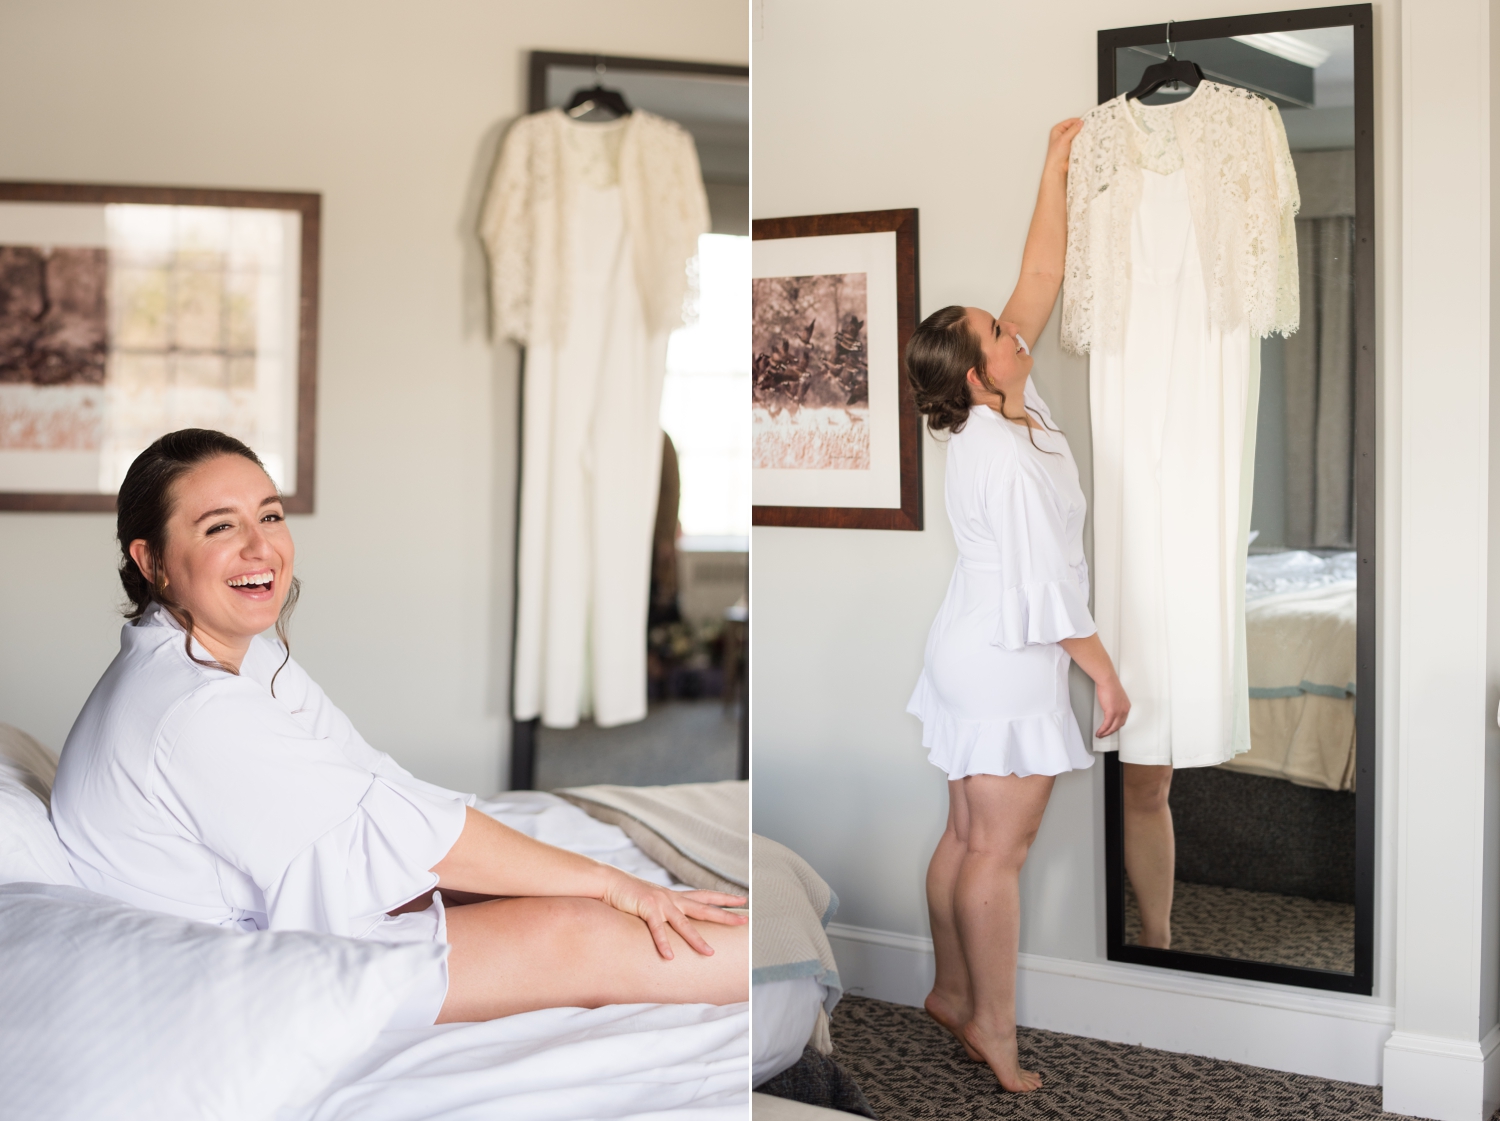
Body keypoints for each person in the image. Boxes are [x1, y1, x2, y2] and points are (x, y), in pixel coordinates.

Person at [52, 429, 747, 1027]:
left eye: (270, 515)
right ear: (151, 561)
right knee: (584, 929)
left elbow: (371, 782)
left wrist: (570, 880)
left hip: (256, 909)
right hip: (236, 979)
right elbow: (395, 825)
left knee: (548, 890)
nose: (261, 547)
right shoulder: (192, 708)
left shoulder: (234, 655)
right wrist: (605, 885)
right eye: (219, 527)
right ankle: (766, 956)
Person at [903, 119, 1129, 1093]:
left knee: (964, 833)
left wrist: (1056, 165)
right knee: (999, 849)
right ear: (972, 371)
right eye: (995, 334)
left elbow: (1038, 273)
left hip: (970, 641)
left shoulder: (1001, 406)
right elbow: (1049, 584)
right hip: (1005, 649)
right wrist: (1105, 671)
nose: (1012, 327)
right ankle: (992, 1023)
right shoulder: (1003, 455)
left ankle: (952, 990)